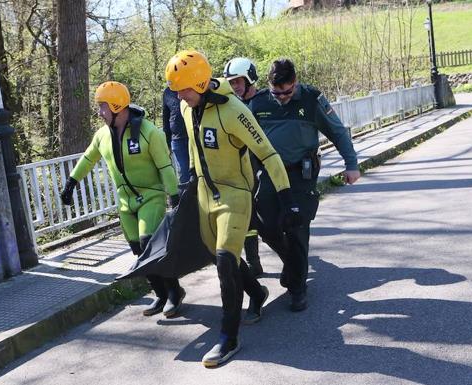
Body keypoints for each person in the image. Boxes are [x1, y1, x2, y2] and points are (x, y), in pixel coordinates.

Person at [165, 50, 302, 367]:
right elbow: (191, 149)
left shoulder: (234, 110)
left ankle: (228, 338)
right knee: (221, 256)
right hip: (203, 195)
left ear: (200, 83)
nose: (180, 96)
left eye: (184, 89)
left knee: (225, 262)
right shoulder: (188, 109)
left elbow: (268, 154)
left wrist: (287, 199)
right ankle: (256, 292)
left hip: (235, 195)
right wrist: (187, 187)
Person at [60, 81, 185, 318]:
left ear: (117, 106)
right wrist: (71, 183)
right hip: (125, 203)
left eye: (103, 107)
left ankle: (174, 292)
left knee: (150, 244)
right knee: (138, 251)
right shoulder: (102, 136)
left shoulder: (150, 132)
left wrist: (175, 197)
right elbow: (88, 159)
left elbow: (166, 167)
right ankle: (159, 294)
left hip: (151, 197)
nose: (99, 112)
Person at [249, 58, 360, 312]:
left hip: (300, 174)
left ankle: (298, 288)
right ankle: (292, 265)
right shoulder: (259, 103)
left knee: (296, 228)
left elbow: (337, 131)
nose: (283, 97)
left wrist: (351, 164)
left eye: (288, 92)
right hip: (269, 175)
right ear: (269, 85)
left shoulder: (311, 99)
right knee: (266, 227)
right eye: (278, 93)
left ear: (295, 82)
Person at [223, 57, 263, 277]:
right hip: (240, 170)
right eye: (231, 82)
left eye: (238, 81)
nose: (234, 87)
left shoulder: (265, 102)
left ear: (250, 79)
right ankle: (253, 261)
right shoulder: (229, 105)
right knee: (247, 218)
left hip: (262, 167)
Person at [162, 87, 190, 190]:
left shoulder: (190, 86)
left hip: (193, 136)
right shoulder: (167, 92)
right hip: (177, 140)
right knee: (183, 173)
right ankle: (186, 203)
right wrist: (167, 143)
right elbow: (166, 117)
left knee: (199, 170)